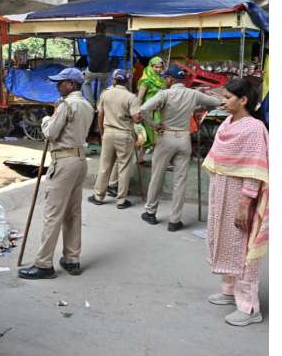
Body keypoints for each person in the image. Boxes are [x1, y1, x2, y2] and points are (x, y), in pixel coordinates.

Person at [203, 76, 268, 326]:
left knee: (243, 247)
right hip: (221, 190)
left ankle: (249, 307)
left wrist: (245, 203)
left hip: (241, 194)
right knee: (225, 241)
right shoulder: (227, 123)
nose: (223, 101)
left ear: (243, 100)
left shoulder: (253, 128)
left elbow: (254, 169)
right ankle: (229, 291)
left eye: (228, 97)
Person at [18, 67, 94, 280]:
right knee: (73, 213)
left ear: (71, 84)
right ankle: (72, 259)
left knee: (53, 214)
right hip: (80, 159)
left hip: (64, 161)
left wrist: (44, 121)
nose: (57, 85)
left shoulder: (66, 104)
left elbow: (51, 133)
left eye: (61, 82)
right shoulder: (87, 105)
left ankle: (43, 264)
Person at [139, 65, 223, 230]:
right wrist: (202, 108)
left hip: (166, 137)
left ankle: (150, 212)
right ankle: (174, 221)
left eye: (166, 78)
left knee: (157, 176)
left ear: (170, 79)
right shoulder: (193, 94)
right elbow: (216, 102)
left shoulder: (165, 94)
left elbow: (143, 109)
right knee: (180, 180)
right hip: (184, 138)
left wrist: (154, 125)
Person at [89, 70, 141, 208]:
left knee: (104, 166)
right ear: (127, 81)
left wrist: (101, 132)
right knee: (123, 167)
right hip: (124, 134)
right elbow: (136, 119)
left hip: (108, 132)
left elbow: (100, 115)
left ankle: (98, 196)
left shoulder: (105, 94)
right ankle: (121, 201)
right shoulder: (131, 97)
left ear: (114, 80)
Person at [136, 55, 167, 151]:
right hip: (147, 112)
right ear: (150, 66)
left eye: (160, 67)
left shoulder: (162, 81)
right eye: (156, 67)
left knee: (158, 136)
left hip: (159, 112)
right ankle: (153, 162)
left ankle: (143, 161)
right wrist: (137, 112)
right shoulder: (146, 81)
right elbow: (140, 98)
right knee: (149, 137)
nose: (158, 69)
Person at [83, 23, 113, 106]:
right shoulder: (109, 40)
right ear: (104, 31)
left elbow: (90, 51)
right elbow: (109, 50)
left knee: (86, 82)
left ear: (95, 30)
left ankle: (91, 102)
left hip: (92, 69)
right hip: (104, 70)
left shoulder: (89, 40)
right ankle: (100, 104)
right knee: (104, 84)